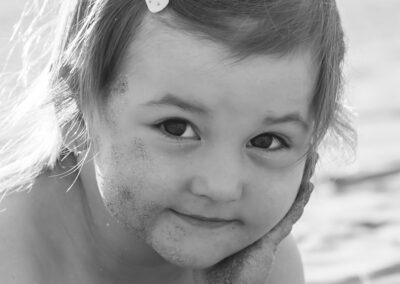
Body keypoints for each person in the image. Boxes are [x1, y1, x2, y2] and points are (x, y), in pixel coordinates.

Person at [0, 0, 355, 283]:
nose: (220, 187)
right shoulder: (11, 253)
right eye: (176, 128)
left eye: (266, 141)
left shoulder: (267, 266)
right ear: (75, 113)